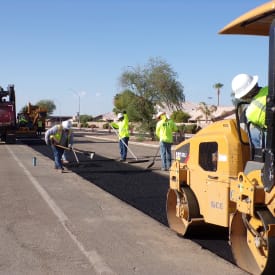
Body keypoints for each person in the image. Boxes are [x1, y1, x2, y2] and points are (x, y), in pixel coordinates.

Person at [232, 73, 267, 148]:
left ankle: (260, 156)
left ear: (245, 95)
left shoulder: (250, 112)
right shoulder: (269, 89)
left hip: (270, 135)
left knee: (252, 133)